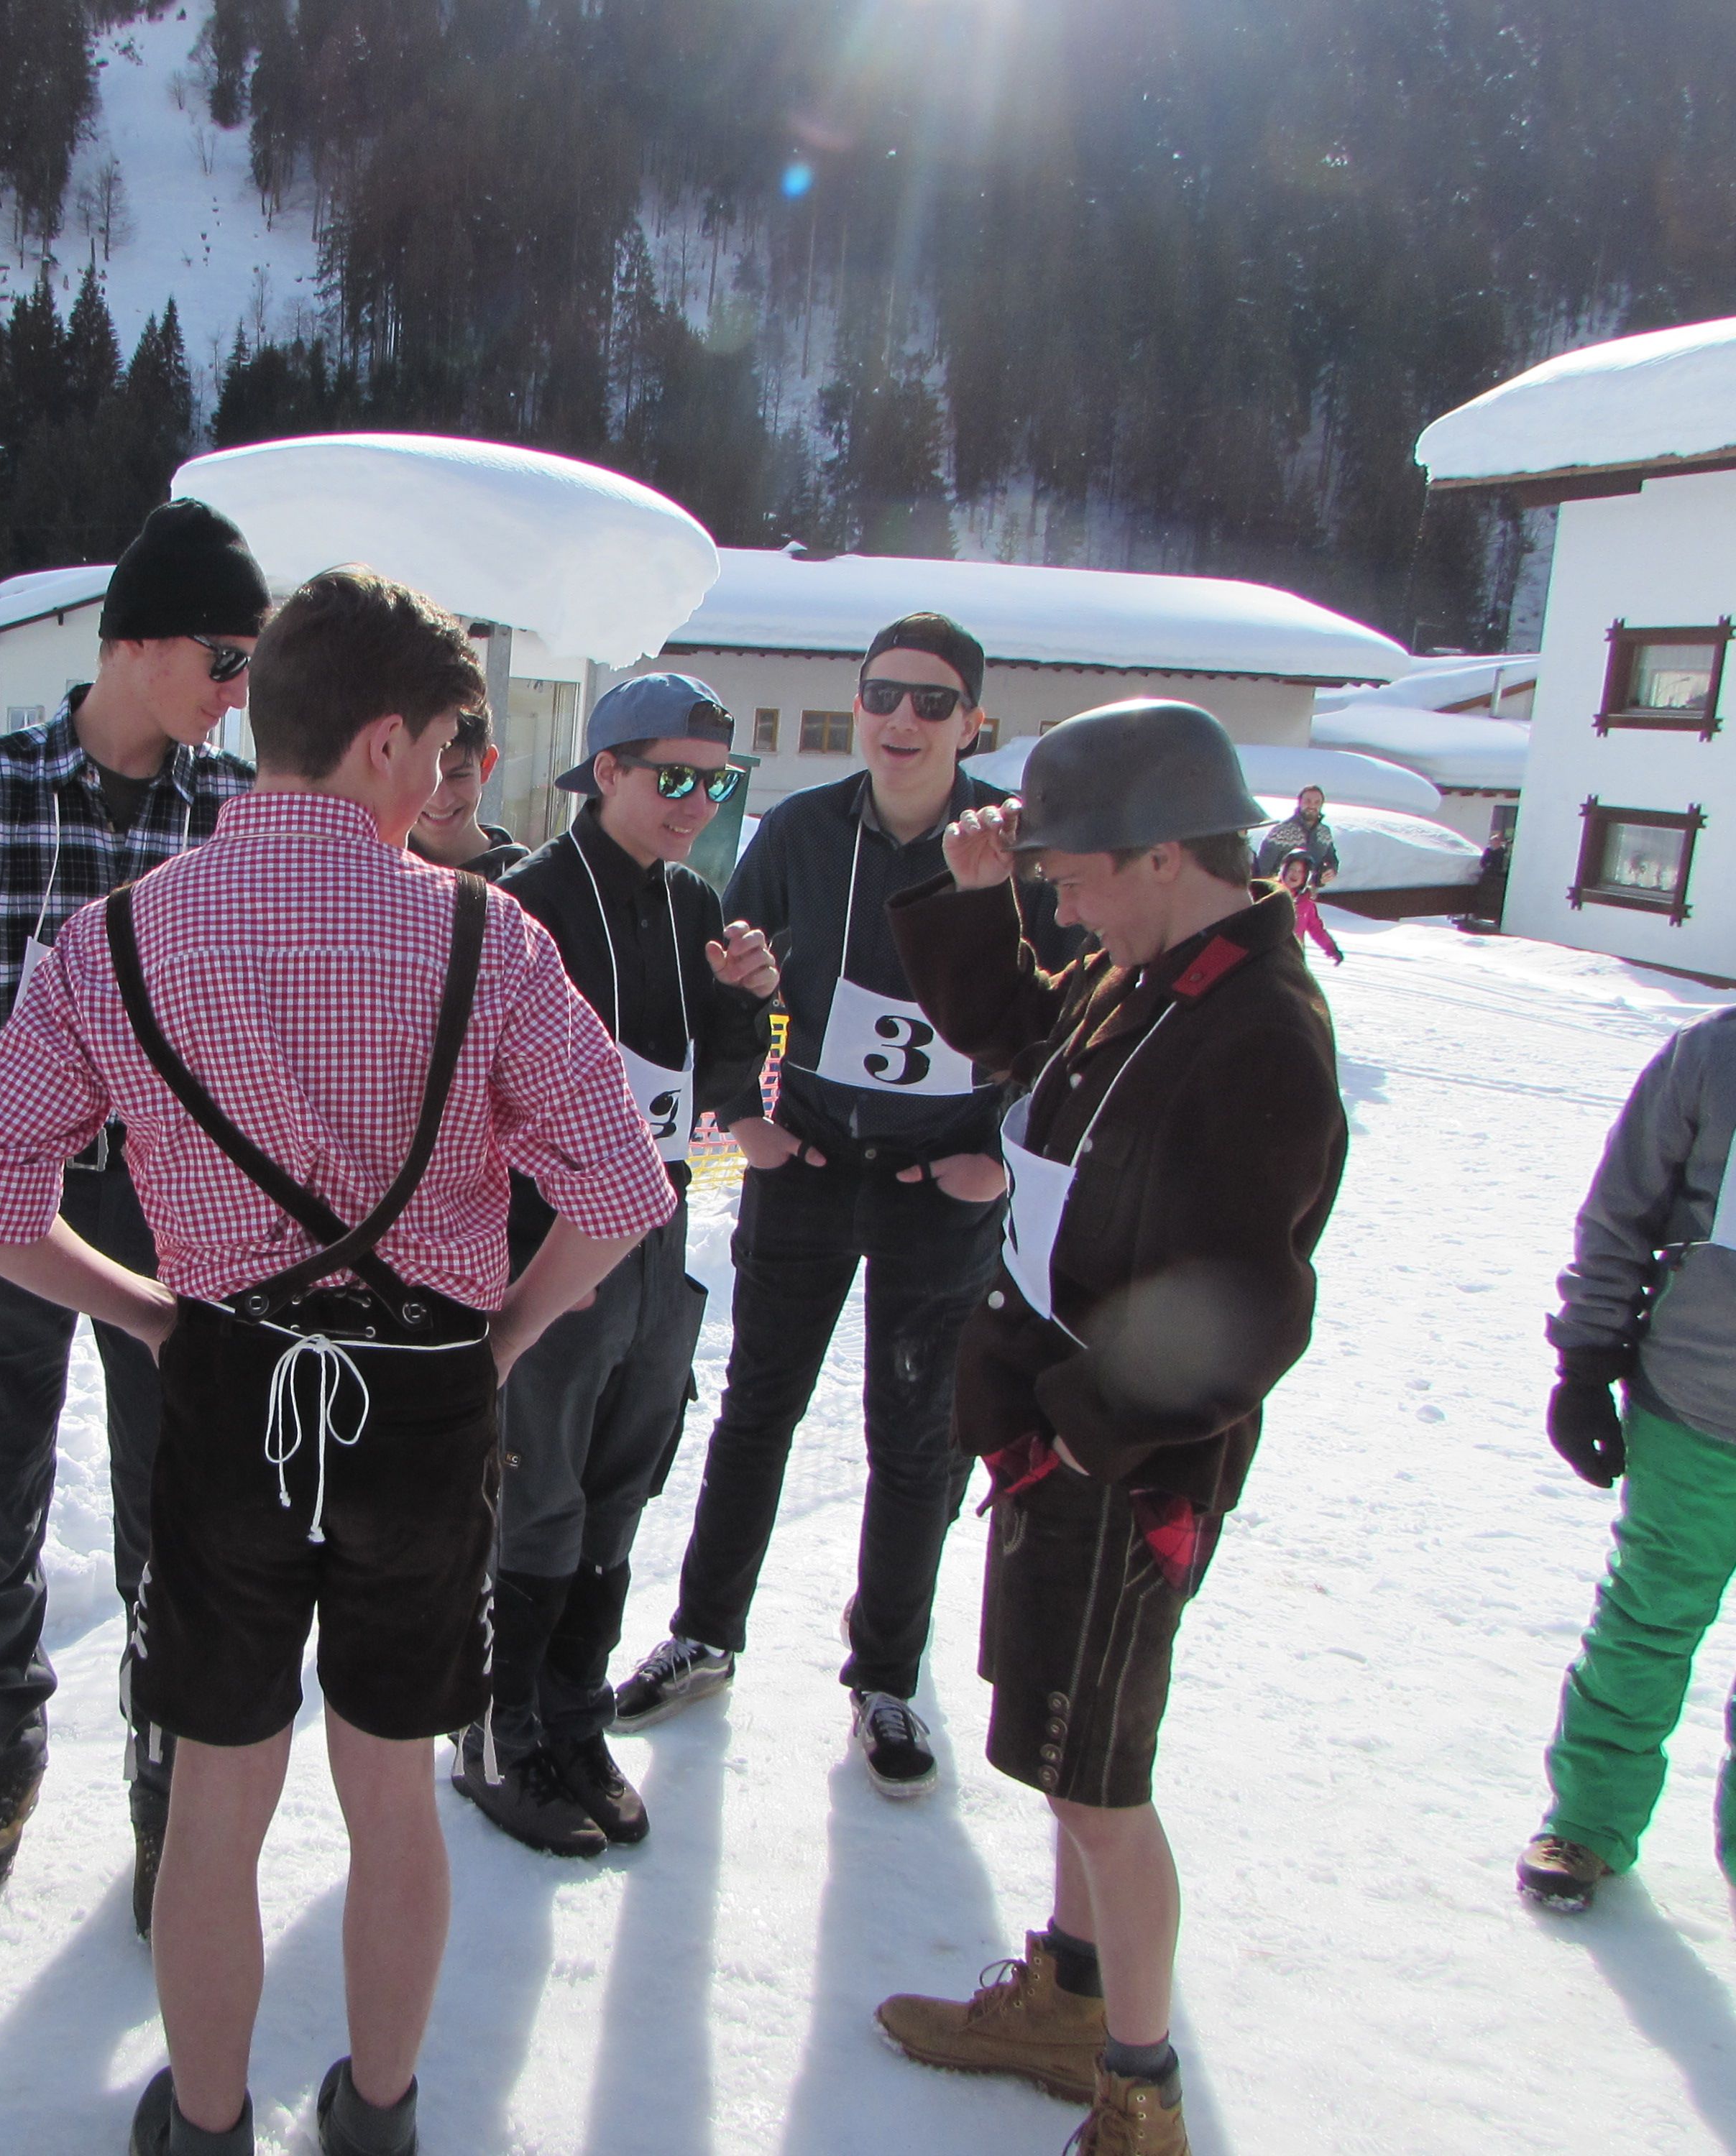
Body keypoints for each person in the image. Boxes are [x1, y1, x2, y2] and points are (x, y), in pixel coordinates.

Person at [0, 566, 672, 2156]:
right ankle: (377, 2115)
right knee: (391, 1790)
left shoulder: (117, 937)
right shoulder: (489, 938)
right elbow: (625, 1191)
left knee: (215, 1796)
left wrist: (147, 1313)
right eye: (447, 748)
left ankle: (206, 2123)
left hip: (225, 1391)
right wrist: (506, 1335)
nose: (447, 781)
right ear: (384, 741)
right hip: (424, 1401)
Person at [871, 700, 1347, 2156]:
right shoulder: (1152, 976)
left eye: (1074, 877)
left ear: (1162, 855)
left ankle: (1139, 2093)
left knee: (1101, 1785)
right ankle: (1067, 2000)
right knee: (1064, 1756)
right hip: (1059, 1432)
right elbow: (1018, 1034)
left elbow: (1243, 1310)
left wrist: (1080, 1435)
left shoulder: (1256, 1032)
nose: (1061, 907)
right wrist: (976, 903)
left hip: (1124, 1463)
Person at [0, 499, 266, 1925]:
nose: (236, 693)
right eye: (223, 658)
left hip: (178, 1222)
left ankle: (163, 1791)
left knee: (174, 1522)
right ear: (138, 642)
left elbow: (262, 1046)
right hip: (14, 1207)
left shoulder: (234, 816)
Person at [615, 613, 1067, 1800]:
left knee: (915, 1434)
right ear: (857, 707)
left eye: (932, 702)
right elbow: (726, 981)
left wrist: (1003, 1161)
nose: (902, 721)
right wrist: (741, 1114)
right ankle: (704, 1633)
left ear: (974, 723)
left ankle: (887, 1678)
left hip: (941, 1181)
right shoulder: (804, 833)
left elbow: (1067, 1023)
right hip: (810, 1163)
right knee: (756, 1411)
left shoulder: (1012, 847)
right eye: (882, 696)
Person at [454, 674, 778, 1856]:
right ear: (606, 772)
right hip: (543, 1248)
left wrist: (747, 1002)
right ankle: (496, 1733)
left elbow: (717, 1097)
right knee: (534, 1492)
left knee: (621, 1485)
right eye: (673, 776)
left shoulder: (695, 904)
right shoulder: (526, 902)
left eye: (716, 783)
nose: (696, 803)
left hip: (654, 1242)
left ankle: (573, 1718)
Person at [1517, 1006, 1736, 1912]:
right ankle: (1589, 1821)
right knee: (1646, 1622)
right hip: (1697, 1411)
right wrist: (1585, 1362)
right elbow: (1621, 1214)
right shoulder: (1712, 1056)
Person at [408, 703, 525, 877]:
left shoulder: (527, 881)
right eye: (422, 776)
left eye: (459, 776)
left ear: (486, 765)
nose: (441, 801)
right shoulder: (373, 874)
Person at [1254, 784, 1339, 887]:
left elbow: (1331, 859)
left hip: (1309, 892)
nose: (1312, 806)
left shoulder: (1324, 832)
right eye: (1308, 801)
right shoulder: (1281, 831)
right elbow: (1262, 869)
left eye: (1317, 802)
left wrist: (1331, 870)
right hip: (1281, 891)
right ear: (1299, 802)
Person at [1276, 853, 1344, 966]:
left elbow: (1316, 928)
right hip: (1268, 958)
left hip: (1294, 958)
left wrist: (1332, 949)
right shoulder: (1269, 894)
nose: (1295, 874)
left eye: (1300, 871)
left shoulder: (1305, 902)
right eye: (1292, 869)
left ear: (1305, 877)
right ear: (1284, 871)